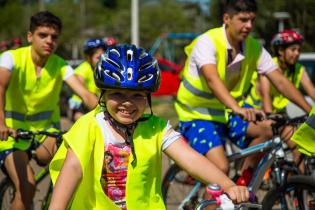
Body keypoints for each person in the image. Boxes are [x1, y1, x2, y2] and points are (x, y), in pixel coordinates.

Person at [48, 45, 249, 210]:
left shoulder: (156, 128)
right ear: (103, 93)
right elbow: (72, 169)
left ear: (148, 98)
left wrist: (228, 184)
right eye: (118, 94)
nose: (127, 103)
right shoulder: (90, 125)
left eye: (137, 96)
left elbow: (190, 158)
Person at [174, 0, 311, 182]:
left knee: (268, 130)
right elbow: (212, 79)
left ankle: (243, 181)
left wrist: (310, 111)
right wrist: (237, 108)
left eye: (252, 20)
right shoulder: (208, 42)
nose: (249, 26)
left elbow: (280, 80)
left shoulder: (253, 47)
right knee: (220, 169)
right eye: (243, 20)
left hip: (228, 111)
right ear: (227, 19)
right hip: (197, 114)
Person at [0, 11, 98, 210]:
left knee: (74, 170)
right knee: (27, 187)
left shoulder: (60, 65)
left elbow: (85, 94)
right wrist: (0, 123)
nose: (49, 41)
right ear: (30, 36)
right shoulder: (11, 58)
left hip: (46, 134)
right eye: (43, 35)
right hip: (12, 134)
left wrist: (108, 117)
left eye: (54, 37)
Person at [244, 29, 315, 168]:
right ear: (281, 51)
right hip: (257, 114)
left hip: (279, 115)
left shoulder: (298, 69)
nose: (297, 53)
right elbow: (266, 98)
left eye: (299, 50)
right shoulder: (269, 67)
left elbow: (312, 91)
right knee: (268, 152)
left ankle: (296, 185)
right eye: (293, 49)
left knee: (298, 146)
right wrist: (270, 115)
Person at [68, 38, 107, 121]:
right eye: (98, 57)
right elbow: (80, 86)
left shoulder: (103, 69)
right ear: (89, 58)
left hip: (97, 103)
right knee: (81, 121)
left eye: (103, 56)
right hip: (81, 104)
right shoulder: (83, 69)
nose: (102, 60)